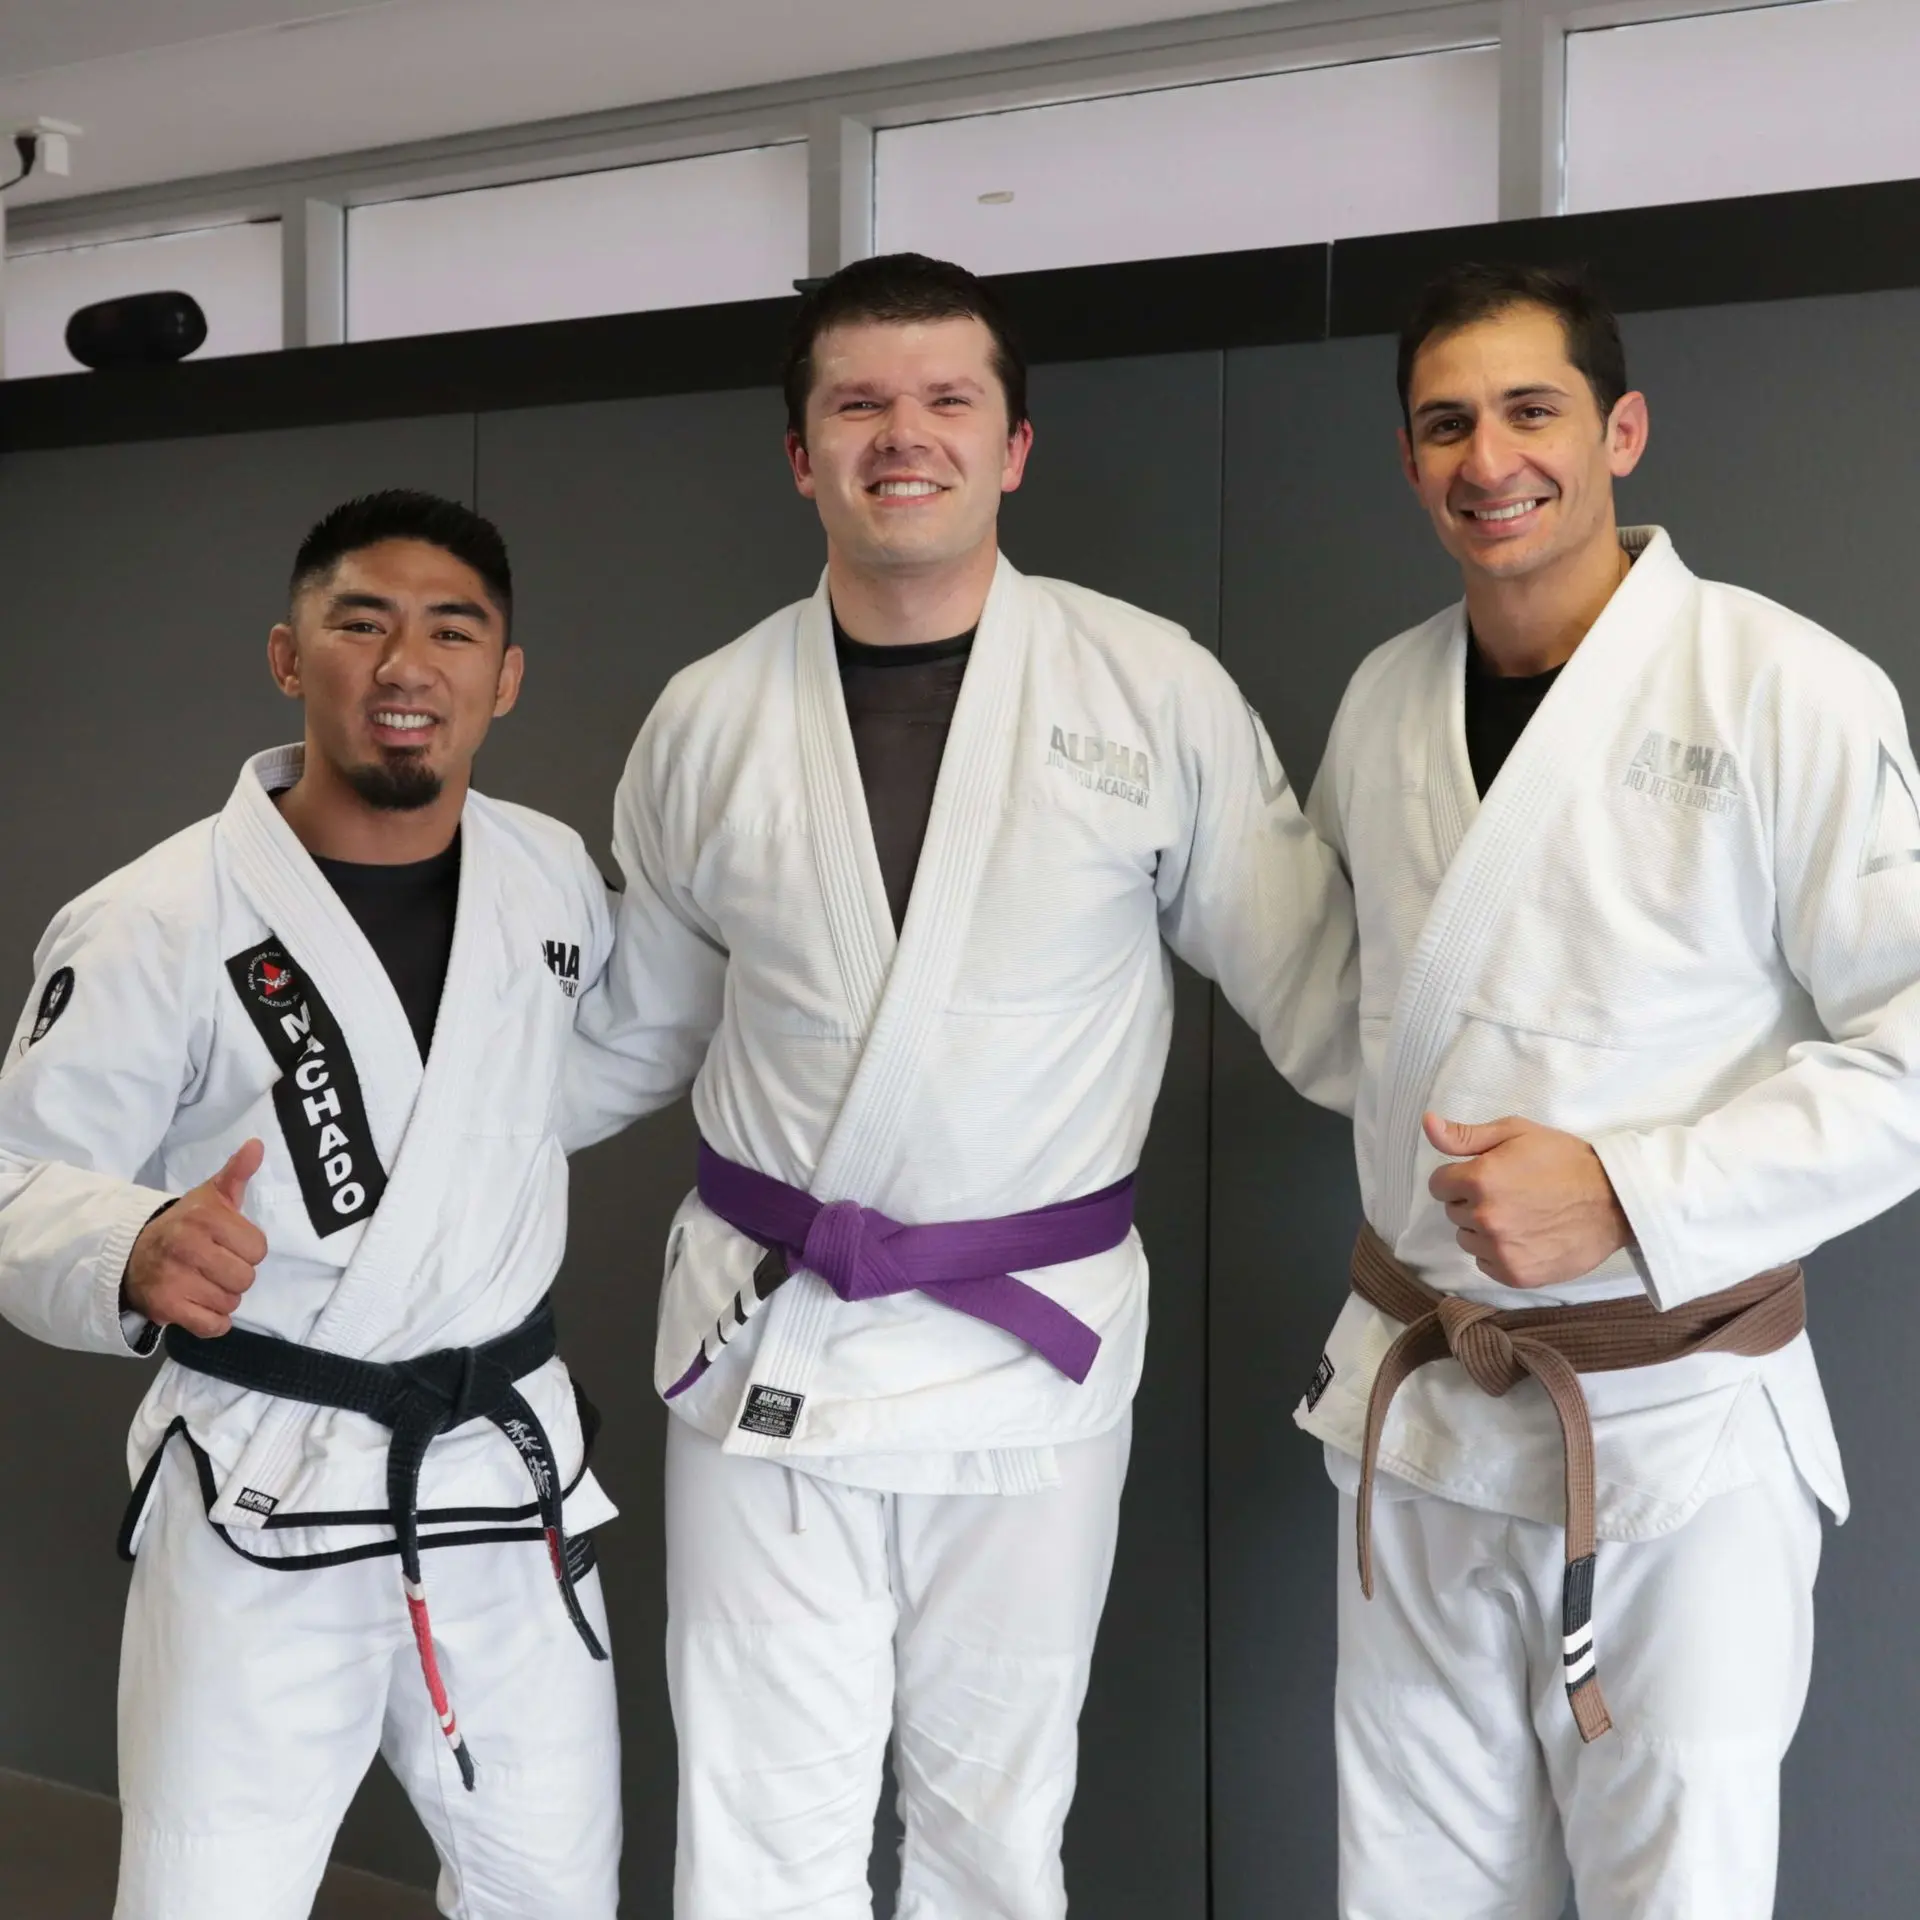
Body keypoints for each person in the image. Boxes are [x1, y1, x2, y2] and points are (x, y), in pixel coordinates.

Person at [566, 251, 1359, 1919]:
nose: (899, 434)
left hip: (1033, 1346)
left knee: (996, 1817)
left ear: (1014, 447)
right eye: (856, 403)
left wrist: (1543, 1112)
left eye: (947, 401)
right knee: (758, 1820)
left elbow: (1320, 987)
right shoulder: (708, 717)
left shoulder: (1151, 689)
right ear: (801, 455)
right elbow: (629, 1028)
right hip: (771, 1334)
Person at [1297, 262, 1920, 1919]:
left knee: (1676, 1893)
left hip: (1673, 1419)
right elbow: (1362, 1017)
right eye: (1444, 425)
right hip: (1424, 1413)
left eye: (1530, 410)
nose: (1488, 459)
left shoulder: (1787, 688)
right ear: (1410, 462)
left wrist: (1632, 1193)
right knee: (1412, 1889)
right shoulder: (1379, 702)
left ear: (1621, 429)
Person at [0, 491, 624, 1918]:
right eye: (363, 624)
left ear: (504, 679)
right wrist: (130, 1244)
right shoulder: (155, 916)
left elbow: (558, 1081)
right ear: (290, 658)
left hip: (497, 1477)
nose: (407, 665)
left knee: (555, 1891)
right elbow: (15, 1179)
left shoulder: (550, 874)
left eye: (452, 631)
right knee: (207, 1896)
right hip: (260, 1486)